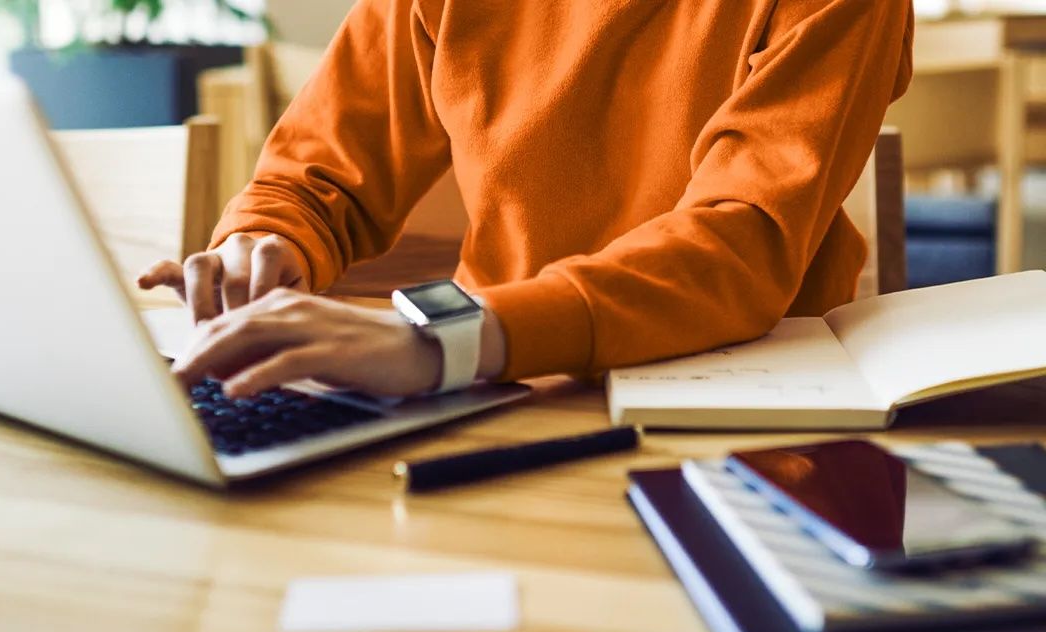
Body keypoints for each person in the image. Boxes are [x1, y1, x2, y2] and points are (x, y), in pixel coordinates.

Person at [137, 0, 915, 399]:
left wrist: (445, 339)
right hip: (495, 384)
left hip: (746, 398)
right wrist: (265, 245)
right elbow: (313, 179)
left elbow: (739, 245)